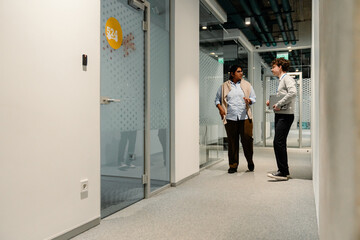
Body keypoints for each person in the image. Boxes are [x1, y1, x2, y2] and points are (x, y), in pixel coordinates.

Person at [215, 65, 256, 174]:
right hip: (230, 118)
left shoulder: (247, 85)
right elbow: (217, 100)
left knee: (247, 141)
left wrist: (249, 100)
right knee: (232, 142)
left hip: (245, 118)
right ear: (232, 73)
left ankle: (250, 161)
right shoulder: (224, 86)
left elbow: (253, 98)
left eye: (241, 71)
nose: (241, 73)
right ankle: (233, 165)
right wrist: (220, 109)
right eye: (238, 71)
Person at [266, 58, 297, 181]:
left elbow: (293, 93)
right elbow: (285, 95)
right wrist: (273, 102)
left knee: (277, 143)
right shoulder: (282, 80)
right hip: (282, 115)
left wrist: (278, 104)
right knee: (280, 143)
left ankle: (283, 172)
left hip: (285, 116)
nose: (272, 69)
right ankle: (284, 171)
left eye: (273, 67)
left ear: (280, 67)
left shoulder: (287, 78)